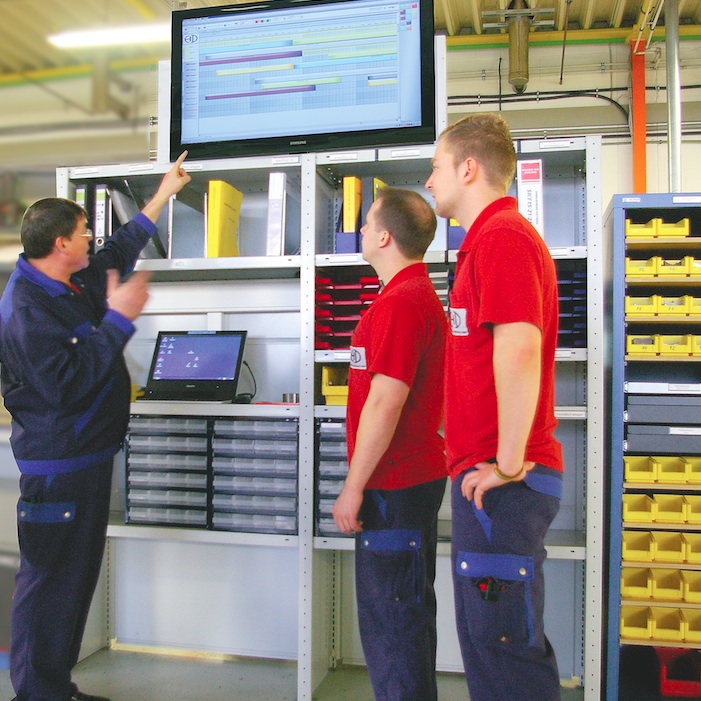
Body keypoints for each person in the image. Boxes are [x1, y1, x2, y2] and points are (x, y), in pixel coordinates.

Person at [0, 152, 191, 701]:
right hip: (58, 467)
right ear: (60, 243)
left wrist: (164, 192)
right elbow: (69, 384)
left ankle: (54, 686)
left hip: (87, 456)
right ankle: (35, 692)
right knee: (48, 582)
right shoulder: (24, 311)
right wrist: (118, 318)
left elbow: (119, 248)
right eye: (84, 233)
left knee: (74, 581)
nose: (91, 240)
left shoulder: (70, 275)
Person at [425, 113, 563, 701]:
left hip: (503, 485)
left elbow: (519, 345)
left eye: (436, 168)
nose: (429, 182)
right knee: (491, 649)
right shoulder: (484, 242)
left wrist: (507, 461)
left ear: (468, 167)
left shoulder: (503, 237)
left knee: (505, 656)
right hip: (490, 481)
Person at [332, 187, 447, 701]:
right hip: (402, 482)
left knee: (393, 622)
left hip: (393, 486)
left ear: (384, 236)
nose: (358, 232)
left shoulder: (402, 303)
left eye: (365, 223)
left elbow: (386, 403)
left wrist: (352, 487)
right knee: (404, 616)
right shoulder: (403, 297)